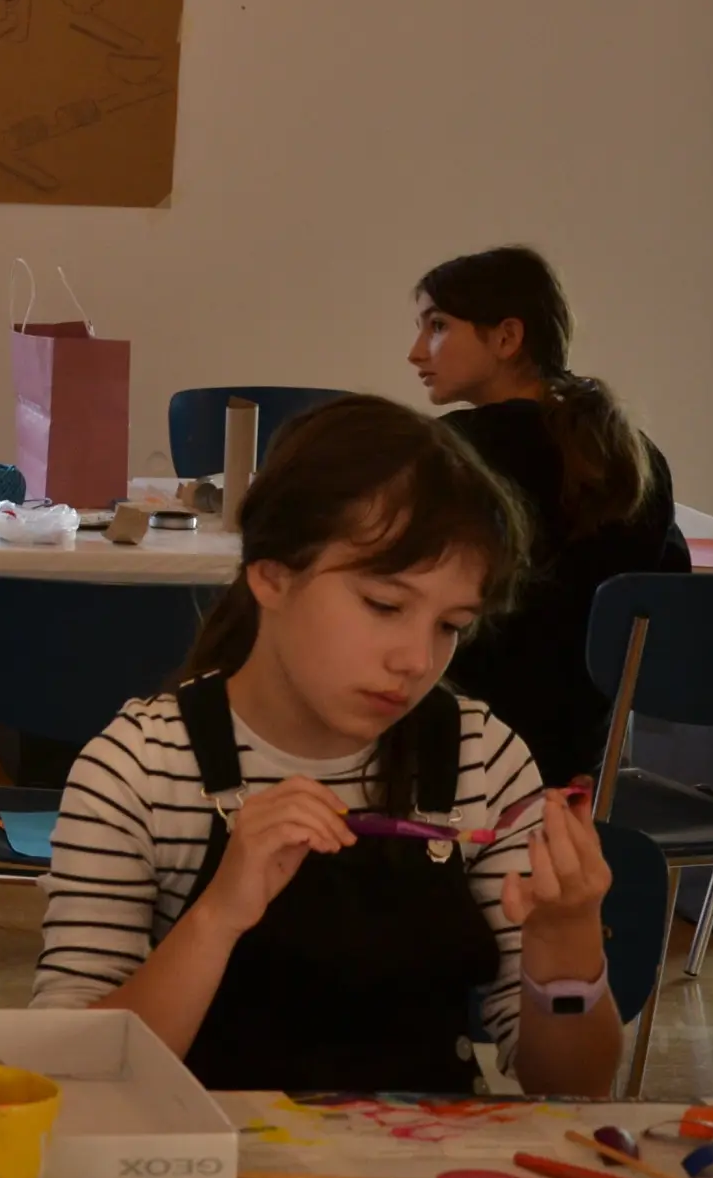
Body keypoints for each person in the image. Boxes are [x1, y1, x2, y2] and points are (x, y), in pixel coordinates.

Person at [33, 396, 621, 1098]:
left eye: (451, 625)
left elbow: (572, 1090)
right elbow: (71, 1073)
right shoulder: (143, 767)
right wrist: (218, 918)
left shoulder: (479, 756)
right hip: (203, 1177)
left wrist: (566, 951)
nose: (415, 659)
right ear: (272, 577)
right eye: (384, 606)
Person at [408, 244, 688, 785]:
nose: (417, 352)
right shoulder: (632, 453)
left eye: (437, 326)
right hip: (580, 762)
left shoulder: (450, 454)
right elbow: (666, 584)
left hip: (455, 749)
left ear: (508, 338)